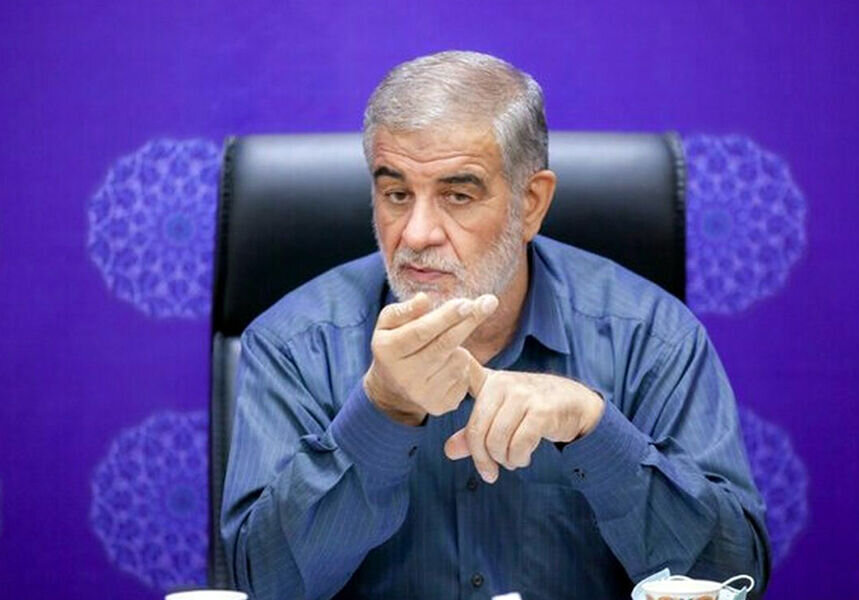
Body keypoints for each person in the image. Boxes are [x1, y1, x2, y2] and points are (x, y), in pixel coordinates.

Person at [221, 50, 770, 600]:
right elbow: (265, 585)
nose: (416, 234)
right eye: (396, 195)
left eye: (458, 196)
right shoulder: (294, 343)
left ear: (531, 203)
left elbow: (730, 576)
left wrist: (594, 429)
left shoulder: (650, 337)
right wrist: (383, 410)